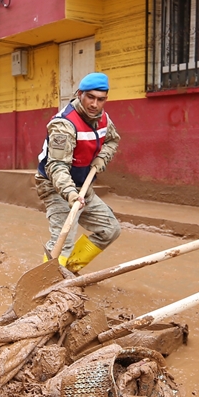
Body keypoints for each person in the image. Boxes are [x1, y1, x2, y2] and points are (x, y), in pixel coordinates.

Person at [34, 72, 121, 273]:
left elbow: (112, 140)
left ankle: (68, 272)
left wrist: (102, 158)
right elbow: (56, 167)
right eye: (90, 97)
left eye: (101, 99)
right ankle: (45, 281)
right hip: (57, 187)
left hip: (83, 186)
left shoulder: (103, 119)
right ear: (79, 94)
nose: (94, 104)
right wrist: (70, 194)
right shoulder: (64, 125)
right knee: (62, 241)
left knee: (110, 230)